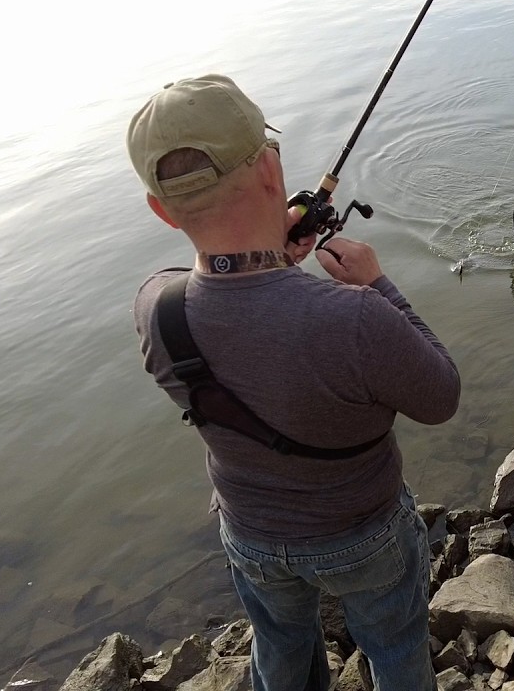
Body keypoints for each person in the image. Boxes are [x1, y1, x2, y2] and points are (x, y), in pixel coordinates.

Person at [126, 73, 460, 691]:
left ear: (160, 209)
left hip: (249, 534)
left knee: (279, 645)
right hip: (364, 533)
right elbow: (441, 397)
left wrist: (270, 253)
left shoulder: (155, 307)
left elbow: (225, 296)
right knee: (394, 646)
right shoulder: (355, 317)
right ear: (271, 171)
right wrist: (378, 284)